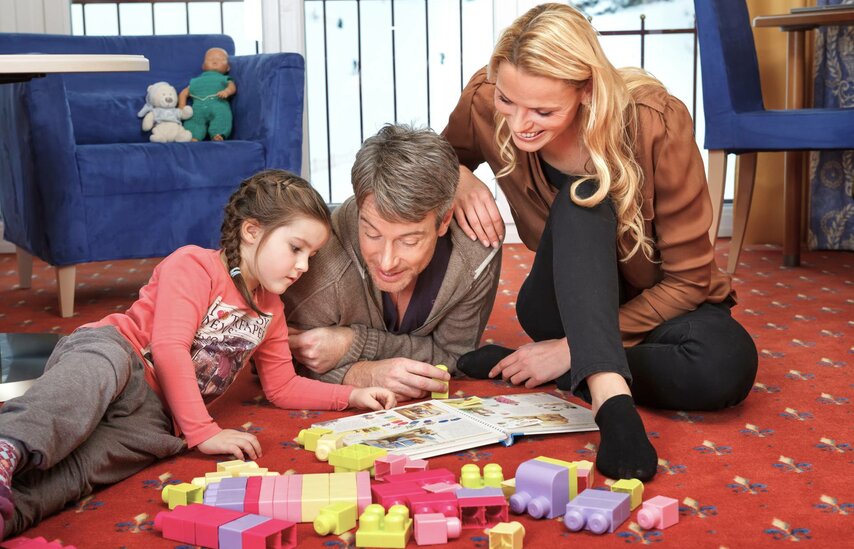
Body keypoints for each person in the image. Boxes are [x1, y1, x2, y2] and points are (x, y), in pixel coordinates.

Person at [441, 3, 758, 481]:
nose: (520, 124)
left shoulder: (657, 121)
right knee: (582, 199)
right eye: (509, 102)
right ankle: (615, 410)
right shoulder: (484, 99)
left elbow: (690, 280)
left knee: (724, 366)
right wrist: (459, 176)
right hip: (562, 302)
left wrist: (569, 350)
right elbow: (437, 157)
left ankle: (551, 366)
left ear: (586, 90)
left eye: (544, 111)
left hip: (664, 305)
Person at [0, 170, 396, 539]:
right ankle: (9, 446)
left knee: (82, 471)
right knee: (78, 394)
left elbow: (283, 387)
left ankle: (11, 511)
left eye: (310, 255)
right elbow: (170, 349)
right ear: (252, 231)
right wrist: (203, 430)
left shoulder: (271, 309)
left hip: (157, 417)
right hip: (122, 356)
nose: (303, 266)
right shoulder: (193, 265)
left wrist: (350, 396)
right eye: (296, 248)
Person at [283, 124, 502, 401]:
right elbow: (272, 362)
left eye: (408, 241)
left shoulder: (475, 254)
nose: (387, 262)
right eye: (372, 234)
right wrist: (360, 375)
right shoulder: (322, 266)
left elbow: (456, 357)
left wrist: (355, 344)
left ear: (444, 220)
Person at [179, 47, 237, 141]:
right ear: (203, 66)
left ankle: (218, 134)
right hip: (198, 107)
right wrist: (181, 108)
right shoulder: (196, 81)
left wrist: (227, 91)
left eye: (220, 59)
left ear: (228, 67)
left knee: (222, 116)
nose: (215, 61)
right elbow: (184, 93)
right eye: (210, 59)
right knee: (193, 120)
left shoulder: (224, 79)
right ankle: (193, 136)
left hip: (218, 103)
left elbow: (232, 86)